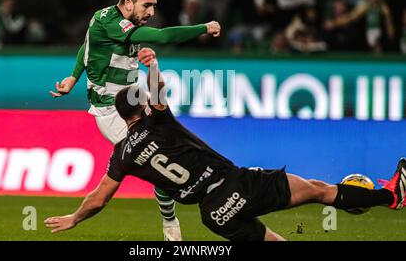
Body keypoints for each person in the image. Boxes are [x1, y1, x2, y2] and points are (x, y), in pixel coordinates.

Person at [45, 54, 406, 241]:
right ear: (140, 107)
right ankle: (390, 197)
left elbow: (100, 197)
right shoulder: (159, 121)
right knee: (319, 190)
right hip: (235, 186)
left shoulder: (121, 154)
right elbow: (159, 92)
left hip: (213, 214)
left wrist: (74, 218)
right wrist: (153, 65)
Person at [49, 0, 221, 241]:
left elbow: (87, 45)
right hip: (111, 111)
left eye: (153, 7)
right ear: (128, 3)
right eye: (146, 6)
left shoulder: (109, 19)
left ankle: (183, 210)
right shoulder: (113, 23)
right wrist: (204, 27)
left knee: (170, 145)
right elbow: (162, 37)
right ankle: (171, 225)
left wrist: (73, 76)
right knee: (157, 159)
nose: (151, 12)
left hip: (133, 102)